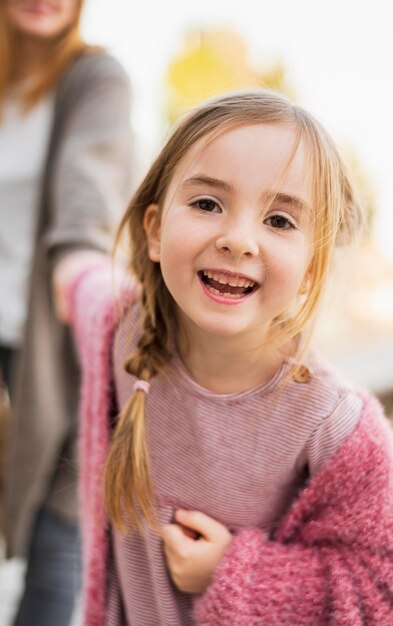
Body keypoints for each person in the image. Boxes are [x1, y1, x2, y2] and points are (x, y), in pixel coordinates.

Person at [59, 90, 393, 625]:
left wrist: (234, 573)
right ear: (155, 230)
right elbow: (79, 282)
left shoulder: (335, 427)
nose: (239, 240)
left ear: (312, 269)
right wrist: (64, 263)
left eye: (279, 220)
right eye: (207, 204)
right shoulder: (121, 328)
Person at [0, 0, 135, 624]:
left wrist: (78, 257)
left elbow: (91, 172)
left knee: (62, 531)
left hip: (55, 340)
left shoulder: (95, 78)